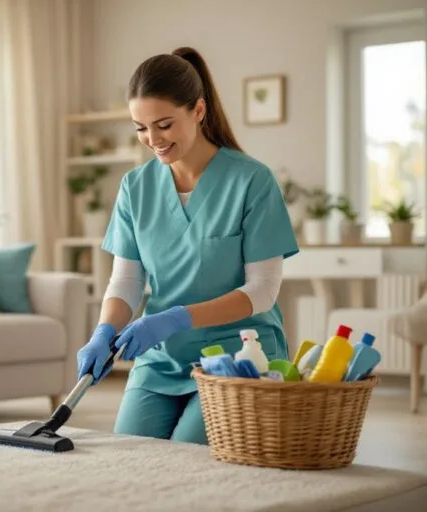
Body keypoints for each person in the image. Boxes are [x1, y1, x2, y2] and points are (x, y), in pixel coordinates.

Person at [76, 46, 299, 445]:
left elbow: (263, 290)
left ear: (198, 110)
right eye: (141, 128)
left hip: (237, 356)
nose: (152, 140)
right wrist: (103, 330)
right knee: (129, 456)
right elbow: (126, 282)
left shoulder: (252, 181)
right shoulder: (135, 187)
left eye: (164, 125)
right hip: (162, 357)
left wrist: (176, 318)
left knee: (186, 455)